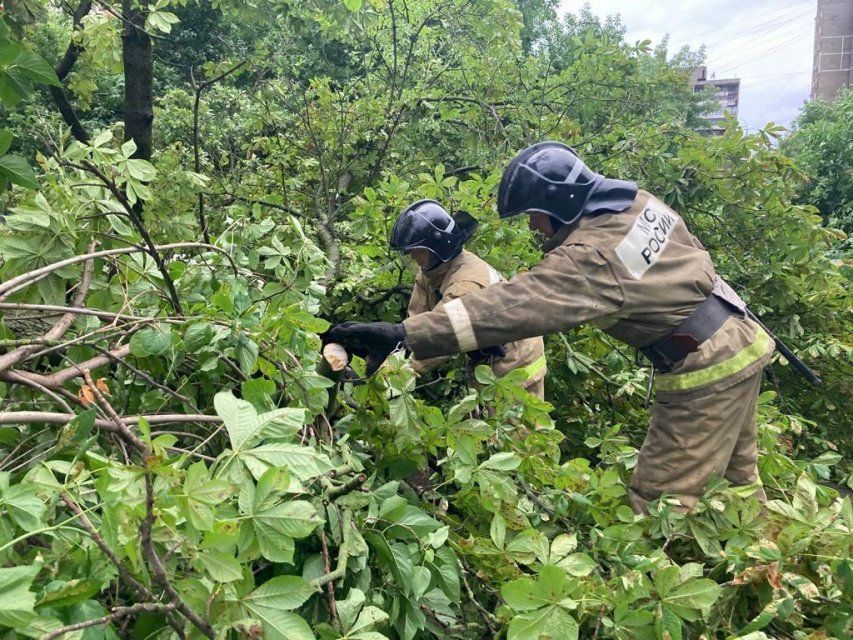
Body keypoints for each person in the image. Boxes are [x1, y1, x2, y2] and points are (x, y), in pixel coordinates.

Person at [327, 141, 775, 514]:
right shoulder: (637, 203)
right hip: (739, 332)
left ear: (562, 203)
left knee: (660, 504)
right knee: (739, 487)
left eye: (535, 213)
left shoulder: (591, 258)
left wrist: (403, 337)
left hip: (705, 365)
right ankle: (760, 566)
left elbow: (514, 305)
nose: (533, 225)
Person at [388, 200, 547, 399]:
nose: (412, 257)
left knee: (508, 416)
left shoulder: (466, 286)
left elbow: (440, 340)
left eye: (415, 251)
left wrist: (391, 378)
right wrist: (387, 355)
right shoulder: (431, 270)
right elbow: (415, 325)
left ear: (435, 247)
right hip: (486, 349)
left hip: (516, 358)